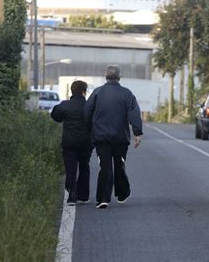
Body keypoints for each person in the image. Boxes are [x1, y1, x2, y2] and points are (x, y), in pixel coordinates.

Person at [84, 65, 143, 209]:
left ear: (106, 76)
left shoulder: (97, 93)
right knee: (119, 164)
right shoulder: (127, 94)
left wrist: (89, 130)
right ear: (119, 77)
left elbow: (87, 112)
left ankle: (103, 198)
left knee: (105, 166)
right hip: (120, 137)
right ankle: (122, 192)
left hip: (101, 137)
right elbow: (134, 113)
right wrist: (137, 132)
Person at [51, 80, 92, 206]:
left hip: (69, 142)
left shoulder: (65, 105)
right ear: (84, 92)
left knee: (70, 168)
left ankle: (72, 194)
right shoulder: (89, 106)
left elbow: (55, 116)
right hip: (86, 142)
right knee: (84, 167)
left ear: (72, 91)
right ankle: (83, 196)